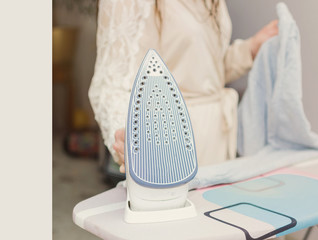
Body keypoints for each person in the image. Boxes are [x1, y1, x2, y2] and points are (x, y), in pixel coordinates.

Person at [89, 0, 278, 173]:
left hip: (217, 141)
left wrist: (250, 49)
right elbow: (111, 85)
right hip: (169, 145)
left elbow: (202, 71)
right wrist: (130, 138)